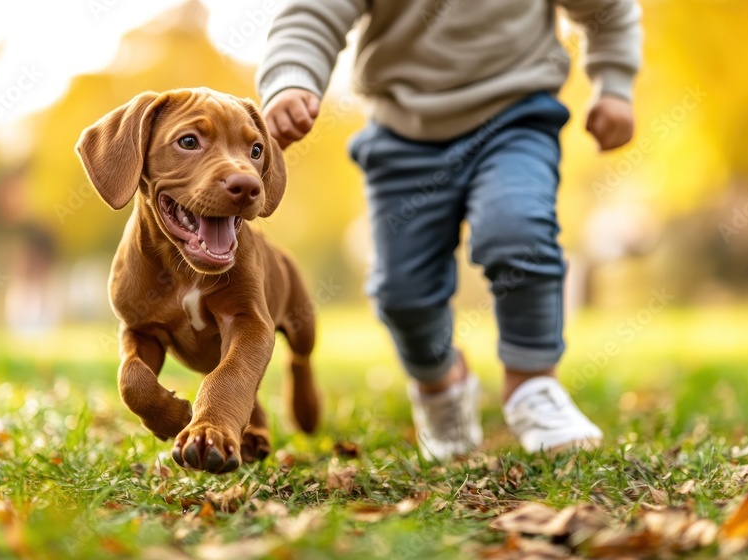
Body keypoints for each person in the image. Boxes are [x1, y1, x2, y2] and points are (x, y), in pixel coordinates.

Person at [256, 0, 642, 459]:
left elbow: (609, 9)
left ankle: (532, 384)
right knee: (402, 295)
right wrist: (292, 79)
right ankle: (440, 382)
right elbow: (314, 12)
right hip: (402, 134)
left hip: (515, 119)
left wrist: (614, 86)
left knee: (517, 230)